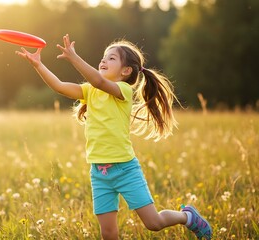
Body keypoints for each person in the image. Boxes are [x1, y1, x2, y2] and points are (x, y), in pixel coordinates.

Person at [16, 34, 212, 240]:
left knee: (154, 223)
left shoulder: (123, 91)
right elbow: (59, 86)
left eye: (111, 58)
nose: (103, 60)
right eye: (103, 56)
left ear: (126, 71)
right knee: (108, 233)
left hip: (125, 170)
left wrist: (74, 58)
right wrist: (38, 65)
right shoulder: (90, 91)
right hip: (99, 172)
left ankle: (187, 217)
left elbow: (99, 80)